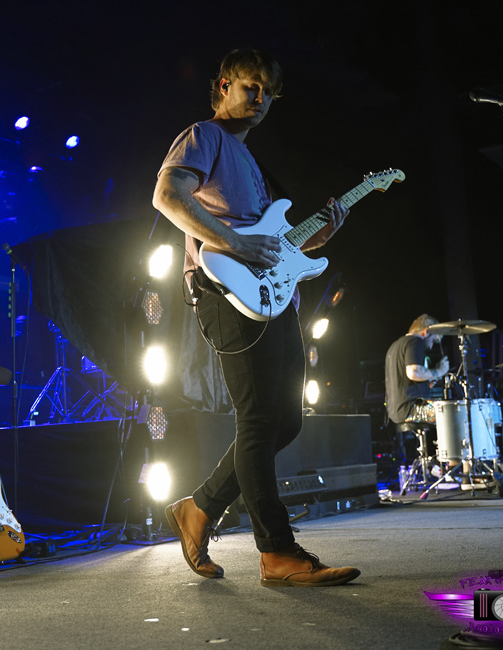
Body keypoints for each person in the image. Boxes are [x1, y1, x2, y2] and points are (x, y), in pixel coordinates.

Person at [151, 48, 359, 588]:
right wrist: (234, 243)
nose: (261, 99)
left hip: (273, 298)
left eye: (268, 93)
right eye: (251, 88)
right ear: (222, 86)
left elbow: (274, 242)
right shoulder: (204, 136)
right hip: (227, 294)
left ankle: (198, 508)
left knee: (285, 420)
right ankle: (277, 552)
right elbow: (166, 196)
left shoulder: (252, 165)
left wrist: (320, 235)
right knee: (258, 420)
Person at [384, 314, 449, 428]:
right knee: (450, 411)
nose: (431, 346)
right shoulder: (415, 341)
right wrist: (440, 371)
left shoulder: (395, 345)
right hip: (410, 409)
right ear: (426, 332)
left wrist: (426, 383)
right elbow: (414, 373)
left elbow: (404, 381)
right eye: (433, 341)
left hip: (395, 411)